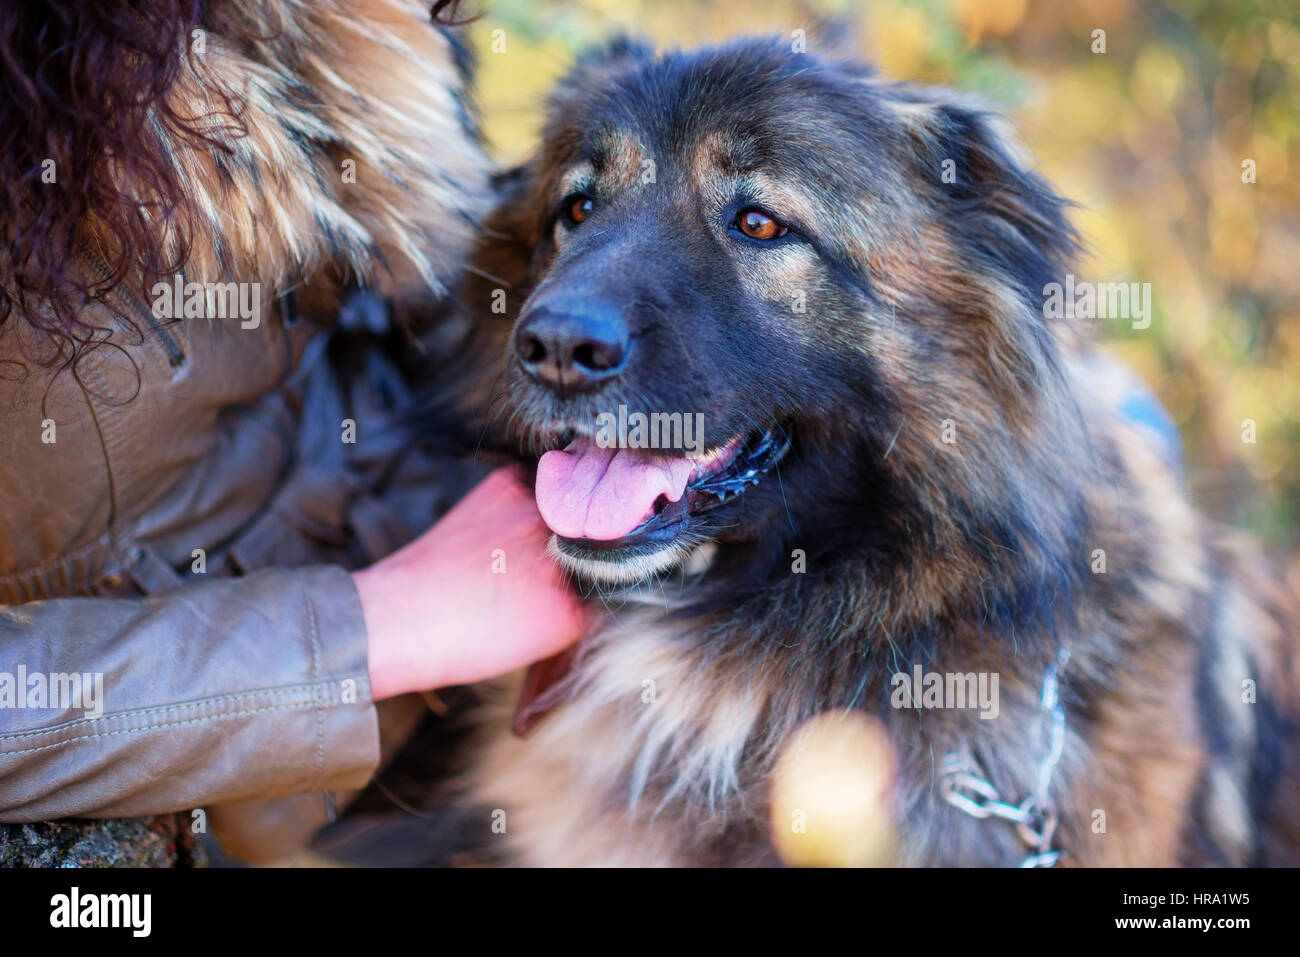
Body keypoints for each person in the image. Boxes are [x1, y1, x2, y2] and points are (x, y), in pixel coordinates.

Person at [0, 0, 583, 865]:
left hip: (487, 722)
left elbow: (408, 311)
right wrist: (378, 627)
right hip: (241, 831)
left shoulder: (358, 21)